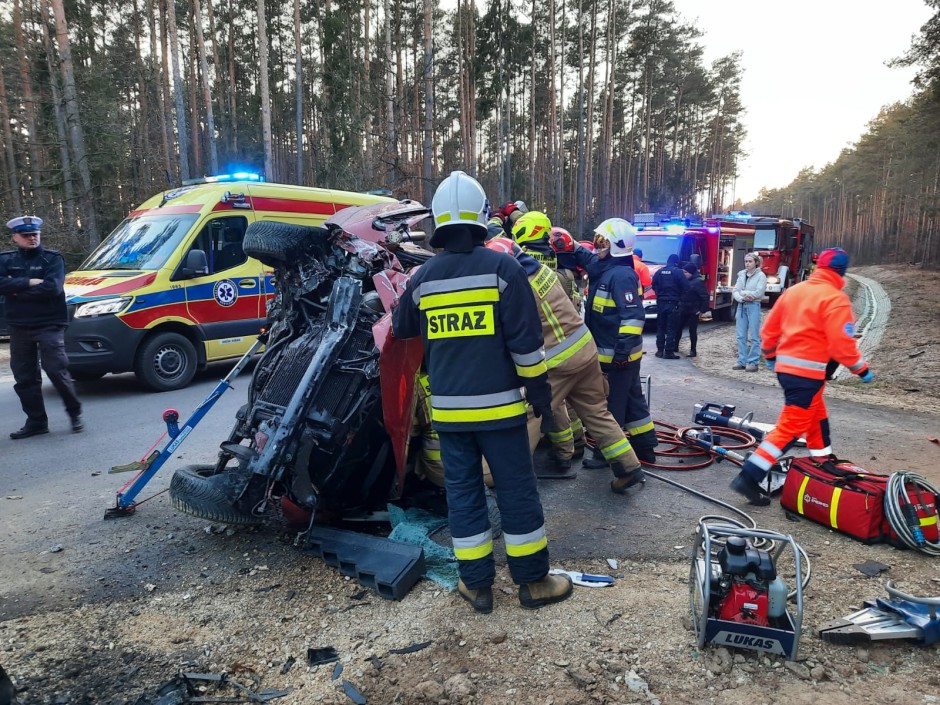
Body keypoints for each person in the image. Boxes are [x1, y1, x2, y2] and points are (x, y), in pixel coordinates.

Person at [392, 171, 572, 613]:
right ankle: (532, 582)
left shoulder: (423, 277)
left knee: (464, 495)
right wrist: (541, 399)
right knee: (515, 491)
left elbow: (400, 329)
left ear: (438, 221)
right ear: (482, 217)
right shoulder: (504, 269)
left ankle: (476, 586)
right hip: (503, 413)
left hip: (451, 416)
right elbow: (527, 346)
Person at [485, 237, 644, 493]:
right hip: (585, 349)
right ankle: (628, 467)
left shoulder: (519, 288)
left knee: (530, 415)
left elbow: (516, 333)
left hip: (558, 361)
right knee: (596, 411)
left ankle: (499, 475)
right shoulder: (543, 271)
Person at [729, 248, 874, 505]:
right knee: (791, 427)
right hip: (808, 375)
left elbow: (770, 330)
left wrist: (771, 357)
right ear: (841, 272)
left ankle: (822, 459)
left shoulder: (794, 291)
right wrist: (861, 368)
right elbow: (842, 345)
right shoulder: (835, 299)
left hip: (788, 371)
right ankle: (749, 477)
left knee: (816, 413)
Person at [565, 218, 658, 466]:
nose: (597, 247)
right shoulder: (605, 268)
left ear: (616, 246)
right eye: (596, 241)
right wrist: (572, 244)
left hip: (618, 357)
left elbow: (634, 317)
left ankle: (607, 455)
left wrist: (621, 353)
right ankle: (646, 446)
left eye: (602, 242)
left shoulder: (622, 276)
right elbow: (590, 261)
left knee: (612, 405)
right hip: (614, 355)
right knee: (633, 399)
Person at [0, 216, 83, 439]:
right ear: (15, 237)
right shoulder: (5, 260)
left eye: (35, 234)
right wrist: (29, 282)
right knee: (24, 377)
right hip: (19, 326)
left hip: (49, 323)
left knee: (55, 368)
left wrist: (15, 289)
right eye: (26, 235)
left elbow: (52, 289)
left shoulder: (52, 259)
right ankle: (36, 421)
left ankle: (74, 412)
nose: (32, 238)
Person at [732, 252, 766, 371]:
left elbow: (759, 292)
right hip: (742, 305)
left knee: (754, 335)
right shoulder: (741, 275)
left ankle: (753, 362)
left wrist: (744, 293)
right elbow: (736, 290)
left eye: (750, 261)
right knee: (741, 335)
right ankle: (742, 360)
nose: (747, 263)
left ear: (756, 263)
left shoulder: (761, 276)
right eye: (746, 261)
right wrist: (741, 297)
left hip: (753, 305)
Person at [650, 253, 688, 359]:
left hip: (661, 302)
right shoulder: (678, 272)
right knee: (671, 328)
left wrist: (660, 295)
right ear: (677, 262)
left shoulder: (659, 272)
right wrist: (679, 297)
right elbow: (686, 287)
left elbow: (653, 285)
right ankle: (669, 352)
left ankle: (659, 351)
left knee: (661, 327)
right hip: (673, 303)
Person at [678, 263, 709, 357]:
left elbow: (704, 296)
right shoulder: (684, 281)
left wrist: (702, 310)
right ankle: (675, 346)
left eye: (686, 272)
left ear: (691, 272)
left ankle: (693, 350)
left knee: (692, 331)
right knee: (678, 328)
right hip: (683, 308)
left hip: (693, 310)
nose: (684, 274)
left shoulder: (698, 282)